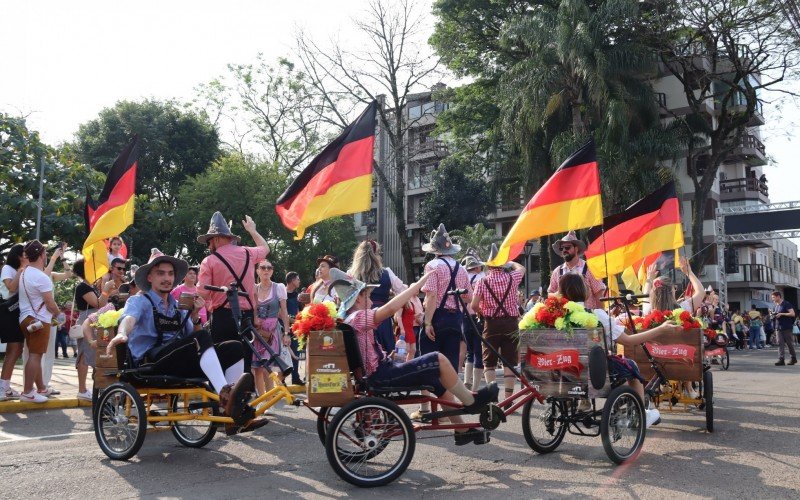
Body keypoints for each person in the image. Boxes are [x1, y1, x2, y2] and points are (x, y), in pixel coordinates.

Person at [331, 268, 498, 446]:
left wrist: (391, 356)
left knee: (437, 382)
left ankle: (462, 430)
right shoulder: (358, 317)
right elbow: (390, 308)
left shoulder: (349, 318)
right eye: (368, 296)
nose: (371, 300)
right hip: (381, 375)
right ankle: (471, 400)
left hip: (380, 370)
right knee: (438, 359)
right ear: (358, 299)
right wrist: (416, 287)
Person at [107, 251, 266, 435]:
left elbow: (194, 336)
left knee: (234, 347)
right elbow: (129, 319)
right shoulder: (140, 301)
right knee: (202, 338)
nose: (166, 278)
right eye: (161, 273)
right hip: (150, 362)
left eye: (170, 274)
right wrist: (121, 333)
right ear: (150, 277)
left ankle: (233, 413)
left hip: (177, 361)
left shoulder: (177, 305)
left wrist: (196, 316)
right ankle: (225, 395)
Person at [558, 273, 680, 428]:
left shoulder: (554, 316)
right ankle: (641, 413)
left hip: (563, 369)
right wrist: (661, 329)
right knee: (632, 367)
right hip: (595, 371)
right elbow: (628, 341)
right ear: (585, 292)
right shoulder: (597, 315)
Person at [197, 211, 269, 373]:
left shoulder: (209, 261)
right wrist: (252, 230)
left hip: (223, 318)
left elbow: (202, 293)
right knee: (245, 362)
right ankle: (245, 395)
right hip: (247, 317)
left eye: (209, 242)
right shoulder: (248, 253)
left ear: (216, 238)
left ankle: (226, 395)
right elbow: (265, 248)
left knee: (224, 363)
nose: (209, 247)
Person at [416, 224, 472, 421]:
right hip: (455, 319)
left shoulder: (432, 266)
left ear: (435, 250)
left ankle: (432, 412)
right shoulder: (462, 268)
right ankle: (449, 412)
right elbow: (468, 298)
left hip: (437, 317)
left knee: (429, 366)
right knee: (450, 368)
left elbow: (430, 297)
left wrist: (428, 322)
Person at [470, 244, 525, 400]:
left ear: (488, 265)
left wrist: (483, 311)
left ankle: (494, 399)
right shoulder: (512, 277)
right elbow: (521, 268)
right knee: (509, 362)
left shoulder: (482, 281)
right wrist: (510, 262)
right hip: (511, 323)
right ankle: (508, 399)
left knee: (489, 362)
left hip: (491, 324)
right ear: (502, 264)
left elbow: (474, 305)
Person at [348, 240, 418, 354]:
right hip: (382, 318)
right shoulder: (387, 272)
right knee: (384, 356)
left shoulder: (350, 274)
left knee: (361, 355)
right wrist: (390, 292)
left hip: (358, 319)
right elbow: (404, 291)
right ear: (376, 255)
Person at [16, 241, 61, 403]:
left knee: (34, 354)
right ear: (42, 255)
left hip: (26, 318)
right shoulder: (42, 277)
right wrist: (60, 315)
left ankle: (41, 387)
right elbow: (50, 304)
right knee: (35, 356)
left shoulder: (24, 273)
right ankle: (28, 391)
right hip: (40, 321)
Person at [72, 258, 110, 400]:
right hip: (88, 320)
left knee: (90, 355)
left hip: (93, 319)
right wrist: (105, 291)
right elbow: (98, 303)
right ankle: (82, 390)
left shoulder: (89, 286)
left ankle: (91, 388)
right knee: (84, 355)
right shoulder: (83, 287)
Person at [252, 260, 290, 395]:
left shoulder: (278, 287)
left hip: (272, 332)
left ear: (272, 271)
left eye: (269, 268)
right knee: (256, 368)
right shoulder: (253, 288)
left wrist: (286, 332)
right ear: (257, 271)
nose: (266, 270)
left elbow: (284, 311)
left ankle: (268, 400)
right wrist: (255, 318)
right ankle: (261, 400)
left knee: (266, 367)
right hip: (256, 332)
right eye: (262, 268)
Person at [547, 231, 606, 309]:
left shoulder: (589, 268)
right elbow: (549, 294)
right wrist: (558, 294)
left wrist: (600, 316)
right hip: (564, 318)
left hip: (586, 318)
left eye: (567, 247)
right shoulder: (557, 271)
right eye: (562, 248)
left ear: (576, 249)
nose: (564, 250)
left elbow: (599, 294)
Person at [0, 244, 25, 400]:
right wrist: (21, 270)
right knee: (13, 349)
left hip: (16, 312)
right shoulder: (8, 268)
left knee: (16, 349)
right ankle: (2, 388)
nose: (26, 257)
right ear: (17, 255)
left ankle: (5, 386)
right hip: (7, 313)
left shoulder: (18, 269)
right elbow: (10, 288)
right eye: (23, 254)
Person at [461, 254, 485, 390]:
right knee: (479, 352)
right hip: (478, 316)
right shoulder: (482, 278)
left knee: (470, 351)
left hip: (464, 317)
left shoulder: (463, 279)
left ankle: (466, 380)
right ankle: (475, 387)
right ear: (477, 267)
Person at [284, 271, 303, 385]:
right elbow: (280, 312)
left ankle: (295, 377)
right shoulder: (282, 294)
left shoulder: (298, 296)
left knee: (296, 353)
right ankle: (282, 379)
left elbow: (300, 311)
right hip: (283, 328)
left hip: (295, 328)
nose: (299, 281)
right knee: (283, 354)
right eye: (298, 279)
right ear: (292, 280)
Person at [770, 291, 797, 366]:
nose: (773, 299)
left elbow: (792, 314)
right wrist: (772, 315)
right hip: (778, 327)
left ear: (778, 296)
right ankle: (781, 359)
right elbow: (775, 315)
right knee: (780, 343)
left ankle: (793, 358)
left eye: (773, 297)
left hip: (786, 327)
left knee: (789, 344)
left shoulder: (786, 303)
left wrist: (782, 314)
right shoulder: (775, 306)